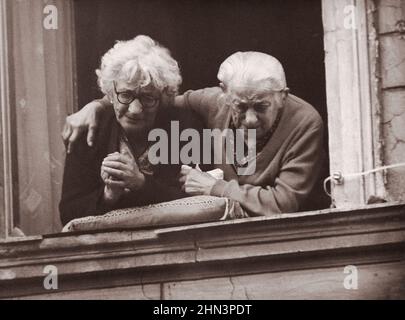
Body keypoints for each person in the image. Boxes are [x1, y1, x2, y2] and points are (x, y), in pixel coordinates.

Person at [62, 51, 324, 217]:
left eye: (262, 106)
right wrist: (97, 105)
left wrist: (214, 187)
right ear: (224, 95)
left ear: (283, 96)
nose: (251, 119)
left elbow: (282, 204)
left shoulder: (305, 123)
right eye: (240, 107)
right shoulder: (212, 102)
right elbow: (146, 96)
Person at [59, 35, 203, 226]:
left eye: (148, 98)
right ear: (110, 92)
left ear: (163, 98)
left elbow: (199, 198)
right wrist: (108, 195)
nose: (135, 110)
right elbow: (68, 214)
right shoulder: (89, 131)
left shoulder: (184, 127)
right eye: (126, 95)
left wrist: (141, 184)